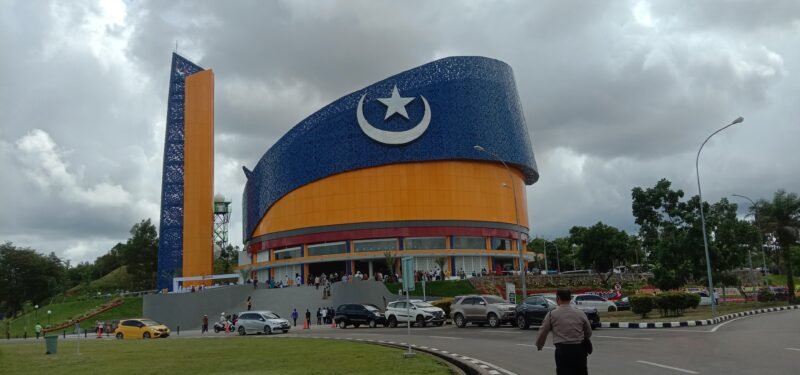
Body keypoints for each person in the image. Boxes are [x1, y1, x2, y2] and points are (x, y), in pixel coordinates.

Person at [536, 289, 592, 375]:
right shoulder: (580, 313)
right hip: (579, 350)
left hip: (562, 351)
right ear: (570, 299)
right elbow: (588, 332)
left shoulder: (552, 314)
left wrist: (540, 345)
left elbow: (543, 331)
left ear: (558, 298)